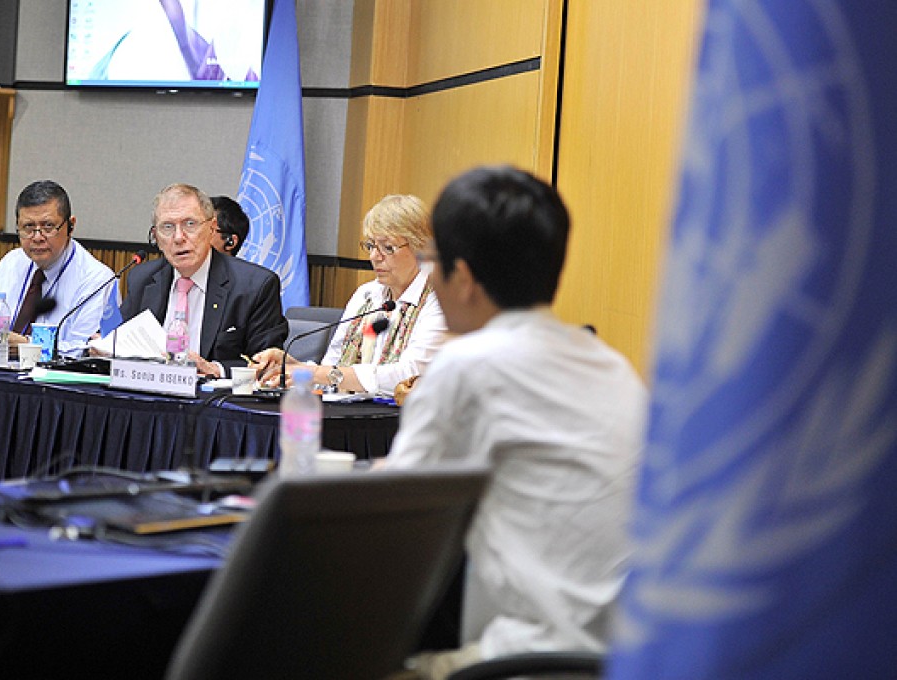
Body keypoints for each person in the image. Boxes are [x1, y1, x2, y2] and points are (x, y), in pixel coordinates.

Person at [381, 166, 648, 678]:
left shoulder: (467, 365)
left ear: (462, 278)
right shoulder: (613, 366)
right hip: (626, 658)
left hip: (523, 661)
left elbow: (388, 525)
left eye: (434, 262)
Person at [253, 194, 447, 395]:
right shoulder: (367, 295)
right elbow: (333, 368)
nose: (374, 256)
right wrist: (294, 367)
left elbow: (409, 375)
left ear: (420, 247)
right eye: (371, 246)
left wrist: (317, 373)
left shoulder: (440, 300)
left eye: (387, 248)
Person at [0, 180, 116, 356]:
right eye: (28, 227)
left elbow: (84, 349)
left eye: (48, 227)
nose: (37, 237)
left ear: (70, 226)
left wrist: (28, 347)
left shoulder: (97, 280)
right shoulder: (12, 262)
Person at [121, 182, 287, 377]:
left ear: (212, 227)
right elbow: (122, 343)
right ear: (156, 237)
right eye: (167, 227)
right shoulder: (142, 279)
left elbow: (268, 364)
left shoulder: (255, 286)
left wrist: (215, 369)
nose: (178, 237)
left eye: (190, 224)